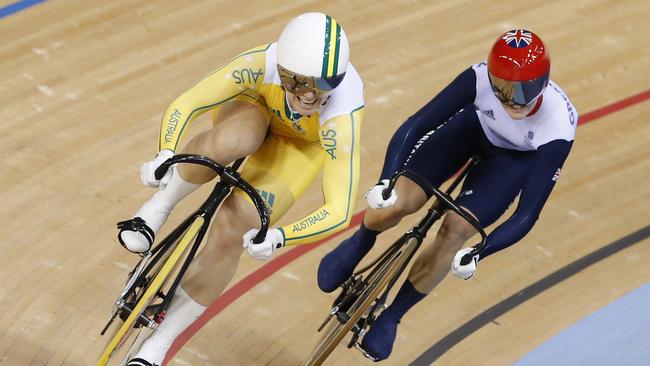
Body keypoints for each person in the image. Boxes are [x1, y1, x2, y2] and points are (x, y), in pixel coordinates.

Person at [117, 12, 364, 366]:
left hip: (297, 150)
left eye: (323, 86)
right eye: (299, 84)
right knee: (237, 138)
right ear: (282, 70)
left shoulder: (343, 119)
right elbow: (188, 103)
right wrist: (164, 153)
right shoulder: (260, 64)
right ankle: (157, 209)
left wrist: (281, 236)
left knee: (238, 225)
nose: (310, 96)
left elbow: (340, 209)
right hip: (254, 108)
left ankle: (157, 346)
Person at [317, 29, 577, 361]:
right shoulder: (479, 77)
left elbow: (527, 213)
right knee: (399, 202)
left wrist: (480, 252)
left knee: (456, 230)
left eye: (520, 91)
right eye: (501, 88)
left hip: (513, 162)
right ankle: (360, 242)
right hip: (471, 130)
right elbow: (416, 125)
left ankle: (393, 315)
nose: (510, 99)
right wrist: (385, 180)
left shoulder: (559, 123)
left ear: (541, 82)